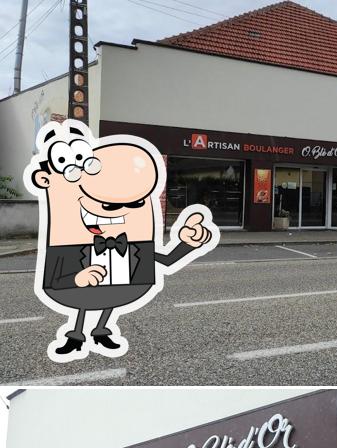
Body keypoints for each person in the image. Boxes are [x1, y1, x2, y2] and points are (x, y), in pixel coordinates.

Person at [25, 120, 219, 361]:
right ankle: (76, 336)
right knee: (85, 299)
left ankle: (101, 330)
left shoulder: (135, 244)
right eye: (108, 205)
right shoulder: (67, 244)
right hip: (79, 290)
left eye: (135, 203)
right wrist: (77, 277)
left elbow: (167, 261)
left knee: (110, 297)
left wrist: (188, 243)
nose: (116, 211)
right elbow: (54, 280)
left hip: (122, 289)